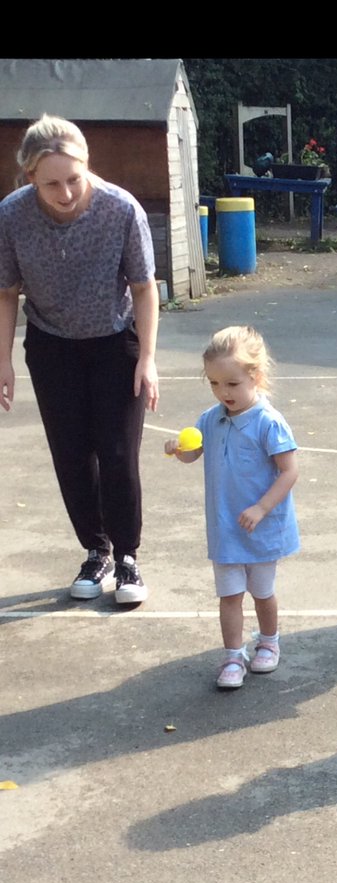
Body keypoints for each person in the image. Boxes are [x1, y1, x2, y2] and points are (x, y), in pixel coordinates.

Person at [0, 114, 159, 604]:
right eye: (51, 183)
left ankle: (128, 558)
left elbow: (144, 286)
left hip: (117, 341)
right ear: (30, 178)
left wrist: (147, 358)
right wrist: (2, 361)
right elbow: (6, 292)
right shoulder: (12, 215)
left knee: (116, 454)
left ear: (88, 166)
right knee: (71, 455)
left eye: (74, 178)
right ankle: (96, 550)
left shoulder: (120, 209)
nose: (66, 192)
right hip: (52, 346)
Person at [165, 325, 300, 690]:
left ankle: (269, 642)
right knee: (228, 595)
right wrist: (180, 450)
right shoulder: (211, 418)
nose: (223, 392)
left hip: (260, 527)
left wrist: (261, 507)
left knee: (262, 592)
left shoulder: (268, 422)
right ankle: (232, 655)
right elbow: (194, 454)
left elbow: (289, 472)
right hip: (225, 526)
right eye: (214, 384)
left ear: (255, 377)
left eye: (231, 384)